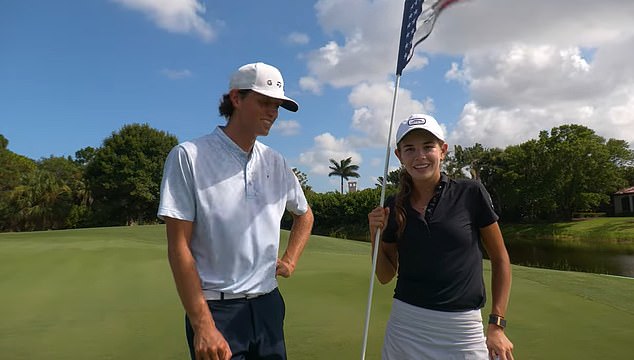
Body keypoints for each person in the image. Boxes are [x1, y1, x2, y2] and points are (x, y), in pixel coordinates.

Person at [158, 62, 314, 360]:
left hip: (268, 305)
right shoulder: (188, 156)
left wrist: (291, 260)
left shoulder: (276, 162)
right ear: (236, 99)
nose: (273, 112)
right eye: (264, 102)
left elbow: (304, 215)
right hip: (218, 311)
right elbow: (178, 246)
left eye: (277, 105)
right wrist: (203, 325)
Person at [368, 114, 514, 360]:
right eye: (410, 149)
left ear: (443, 150)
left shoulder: (470, 193)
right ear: (399, 155)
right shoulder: (393, 206)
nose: (419, 156)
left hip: (463, 330)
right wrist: (374, 234)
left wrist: (496, 325)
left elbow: (500, 260)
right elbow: (384, 276)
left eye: (428, 147)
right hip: (406, 327)